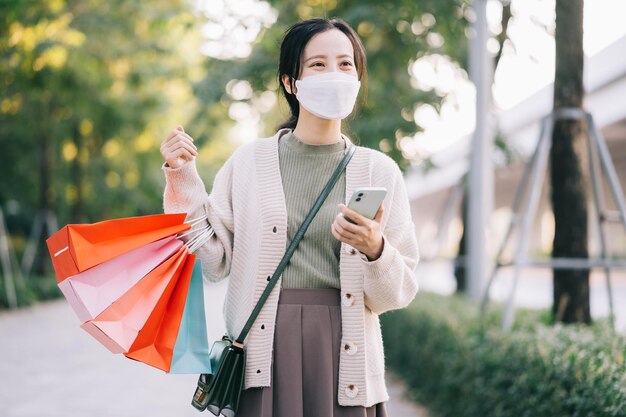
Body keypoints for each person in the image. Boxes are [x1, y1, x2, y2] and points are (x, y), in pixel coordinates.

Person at [160, 17, 419, 417]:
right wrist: (182, 178)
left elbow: (397, 294)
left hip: (343, 358)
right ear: (290, 82)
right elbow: (213, 263)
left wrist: (376, 250)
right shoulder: (248, 163)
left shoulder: (379, 171)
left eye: (345, 63)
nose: (334, 73)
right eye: (318, 64)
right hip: (264, 354)